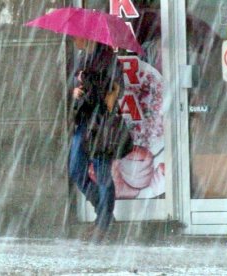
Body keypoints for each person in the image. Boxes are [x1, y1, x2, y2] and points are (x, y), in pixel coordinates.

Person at [68, 37, 132, 242]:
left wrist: (104, 94)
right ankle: (105, 216)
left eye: (75, 37)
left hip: (101, 125)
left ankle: (104, 225)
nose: (73, 40)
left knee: (103, 174)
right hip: (84, 122)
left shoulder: (108, 59)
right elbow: (74, 86)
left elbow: (115, 92)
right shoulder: (82, 59)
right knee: (76, 169)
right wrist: (75, 91)